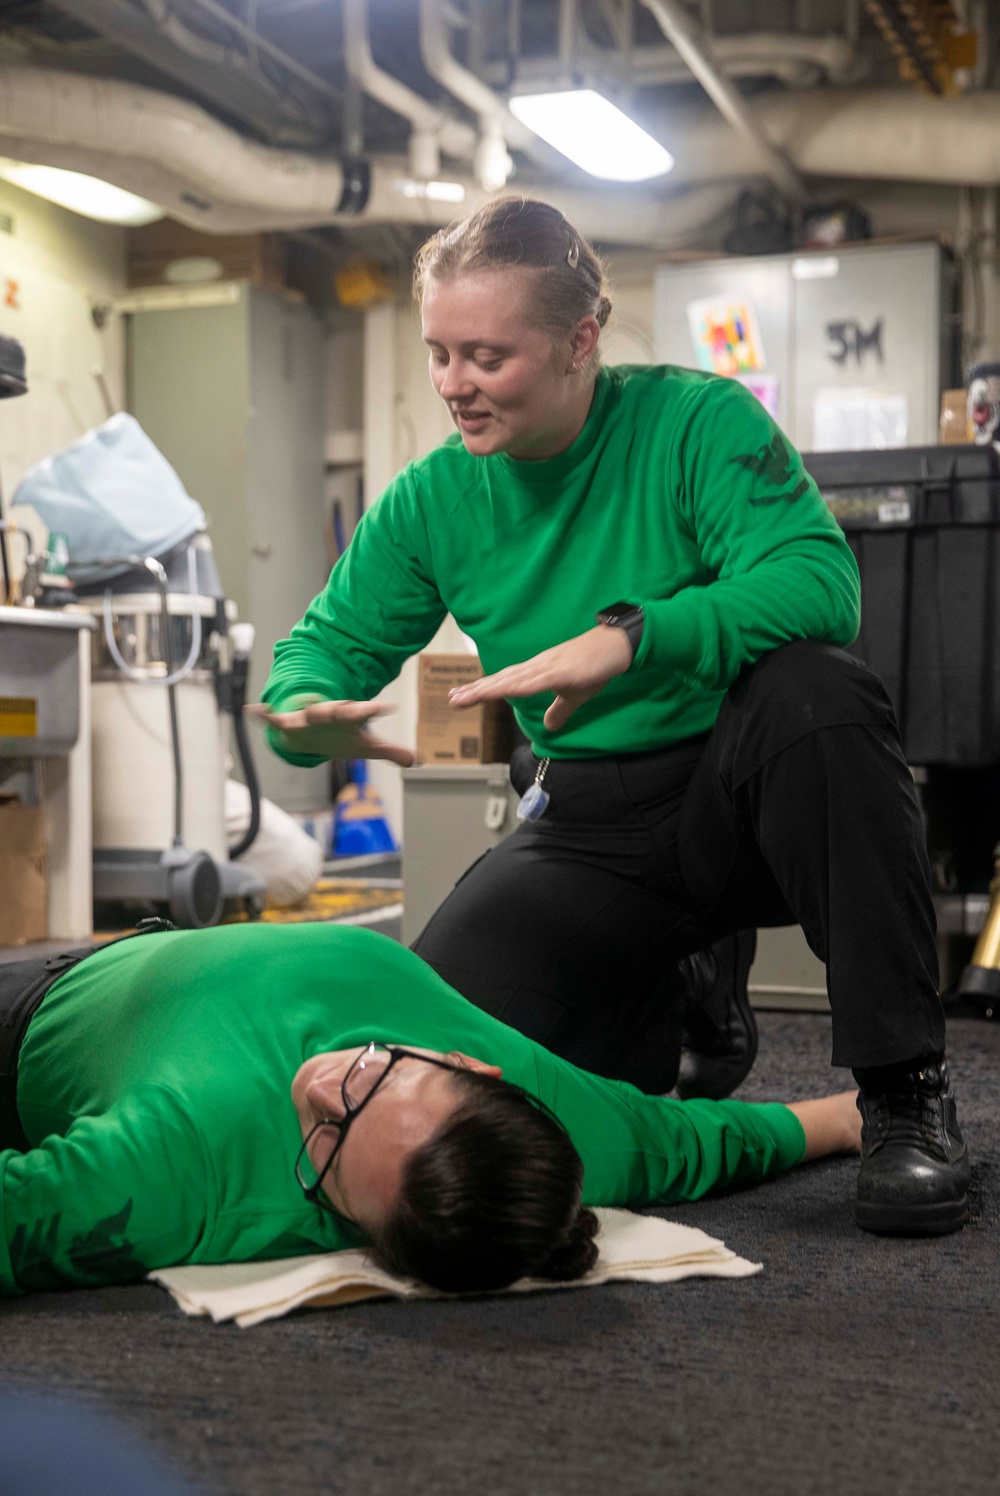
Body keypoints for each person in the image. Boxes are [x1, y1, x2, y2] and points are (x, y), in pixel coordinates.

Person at [257, 196, 969, 1237]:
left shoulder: (694, 422)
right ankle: (678, 988)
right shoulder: (430, 500)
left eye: (487, 356)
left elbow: (822, 584)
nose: (455, 385)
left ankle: (904, 1094)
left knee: (819, 694)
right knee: (439, 1061)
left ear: (580, 342)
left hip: (744, 796)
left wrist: (635, 635)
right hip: (588, 820)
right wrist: (301, 713)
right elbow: (315, 653)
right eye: (439, 353)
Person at [0, 924, 859, 1296]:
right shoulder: (554, 1121)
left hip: (28, 1008)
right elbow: (698, 1143)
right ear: (466, 1064)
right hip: (152, 944)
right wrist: (850, 1118)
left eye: (329, 1151)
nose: (321, 1091)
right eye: (375, 1075)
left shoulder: (179, 1175)